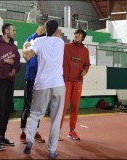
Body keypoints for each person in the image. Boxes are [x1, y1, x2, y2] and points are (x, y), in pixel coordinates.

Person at [22, 20, 65, 159]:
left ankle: (29, 141)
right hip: (58, 84)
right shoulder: (61, 42)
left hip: (42, 84)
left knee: (35, 114)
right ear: (56, 30)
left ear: (44, 29)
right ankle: (52, 151)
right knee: (56, 118)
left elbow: (27, 57)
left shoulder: (39, 41)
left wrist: (25, 47)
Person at [0, 23, 21, 151]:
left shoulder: (14, 48)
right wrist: (4, 61)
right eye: (13, 30)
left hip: (10, 81)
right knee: (0, 109)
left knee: (7, 110)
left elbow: (17, 64)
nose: (15, 32)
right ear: (6, 31)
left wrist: (14, 70)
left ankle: (2, 136)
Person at [59, 29, 90, 140]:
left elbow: (87, 65)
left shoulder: (85, 51)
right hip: (66, 81)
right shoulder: (66, 47)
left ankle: (72, 131)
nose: (76, 35)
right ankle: (57, 131)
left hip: (78, 82)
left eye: (79, 34)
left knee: (75, 107)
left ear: (83, 37)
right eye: (76, 33)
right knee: (61, 107)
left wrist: (85, 71)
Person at [20, 24, 46, 144]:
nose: (43, 29)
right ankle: (23, 132)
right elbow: (25, 50)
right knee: (27, 106)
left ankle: (35, 131)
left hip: (41, 80)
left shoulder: (46, 40)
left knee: (38, 108)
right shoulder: (32, 39)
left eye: (45, 27)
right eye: (41, 27)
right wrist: (36, 34)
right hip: (30, 79)